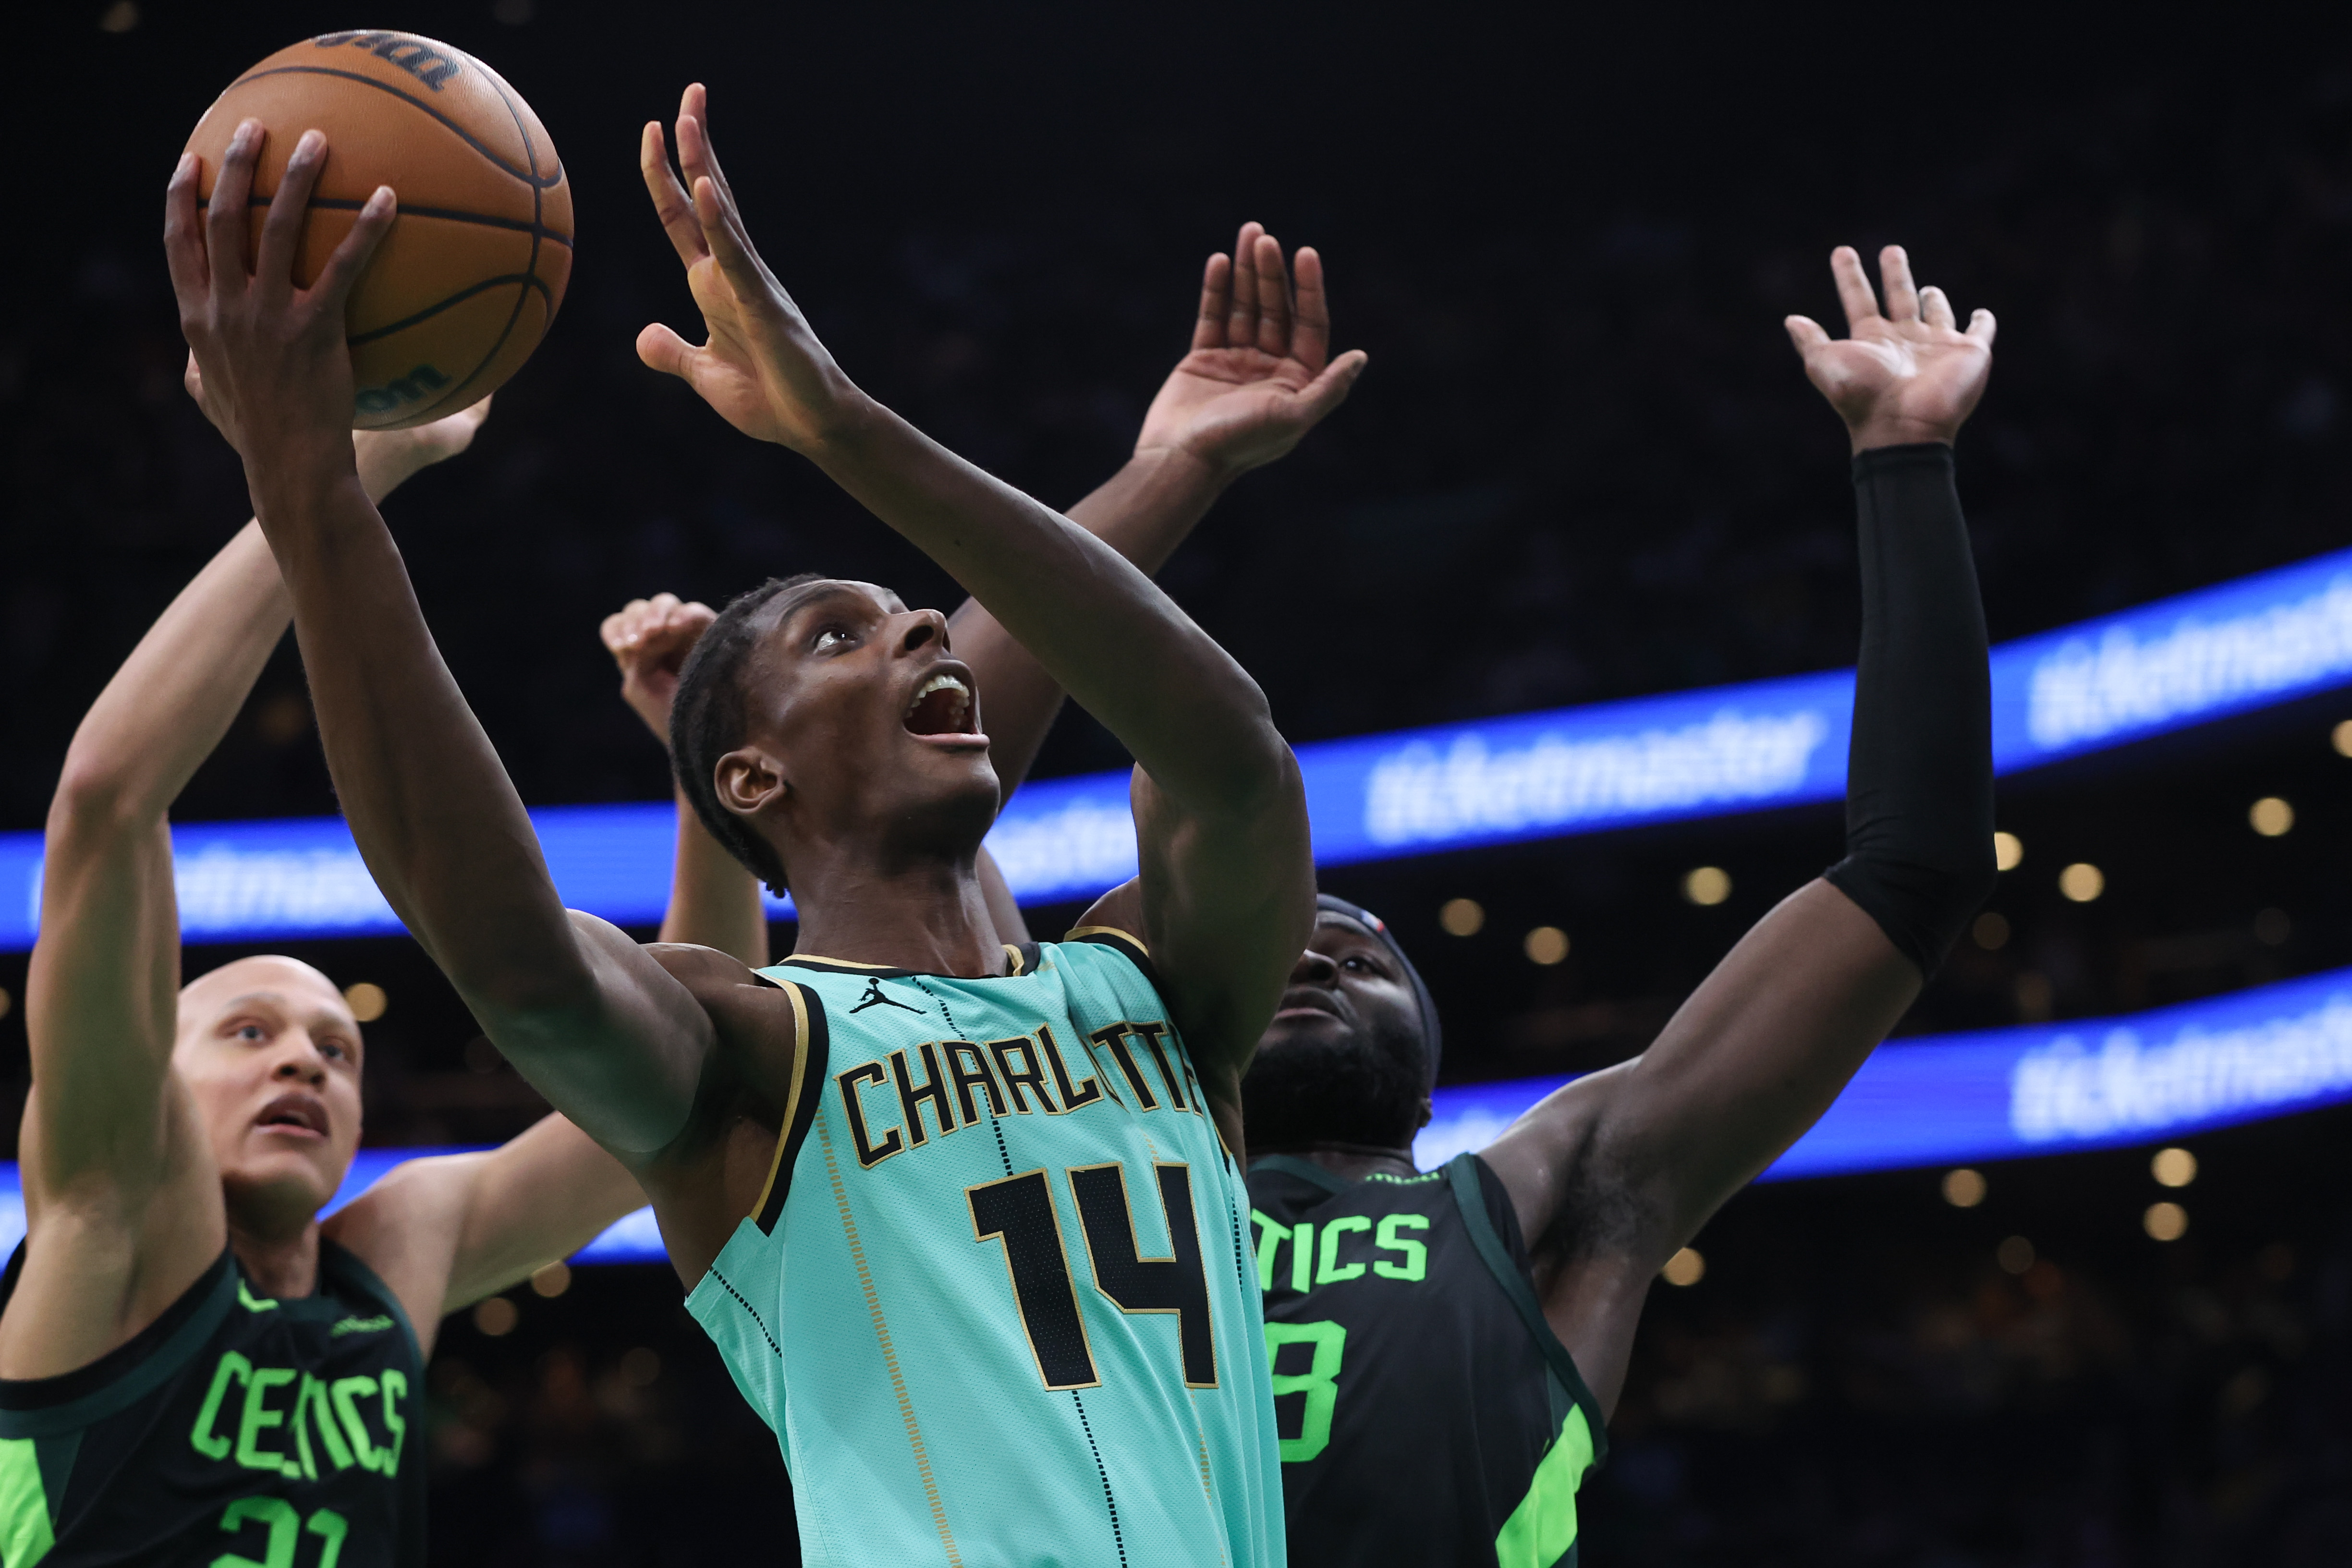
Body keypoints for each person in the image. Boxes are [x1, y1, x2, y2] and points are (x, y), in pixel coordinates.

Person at [167, 78, 1362, 1566]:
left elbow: (1231, 755)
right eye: (835, 635)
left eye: (914, 620)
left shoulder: (1156, 986)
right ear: (747, 783)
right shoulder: (750, 1053)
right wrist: (305, 485)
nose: (921, 621)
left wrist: (906, 436)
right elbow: (511, 950)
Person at [1241, 244, 1999, 1567]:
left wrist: (1904, 458)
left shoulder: (1551, 1191)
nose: (1316, 954)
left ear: (1428, 1056)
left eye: (1361, 952)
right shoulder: (1091, 1191)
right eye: (1281, 948)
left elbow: (1913, 872)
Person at [0, 394, 717, 1564]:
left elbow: (672, 1100)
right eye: (247, 1032)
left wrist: (700, 779)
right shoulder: (112, 1213)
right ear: (156, 1075)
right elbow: (107, 799)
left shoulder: (392, 1256)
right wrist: (352, 467)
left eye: (338, 1048)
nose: (302, 1058)